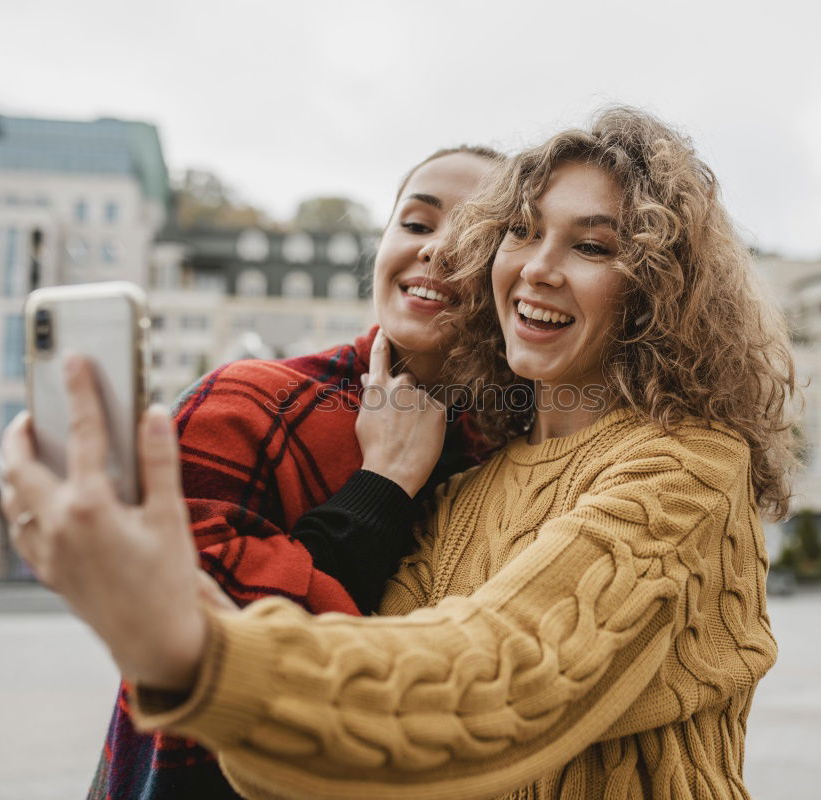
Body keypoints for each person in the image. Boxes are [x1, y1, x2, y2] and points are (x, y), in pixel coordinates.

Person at [2, 106, 798, 800]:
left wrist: (190, 647)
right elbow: (370, 702)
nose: (537, 268)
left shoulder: (688, 464)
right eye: (521, 233)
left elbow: (497, 675)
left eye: (591, 246)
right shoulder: (464, 485)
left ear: (657, 287)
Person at [76, 144, 502, 799]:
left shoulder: (507, 452)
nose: (438, 250)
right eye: (416, 224)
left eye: (477, 235)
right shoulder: (244, 403)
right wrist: (382, 485)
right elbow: (223, 653)